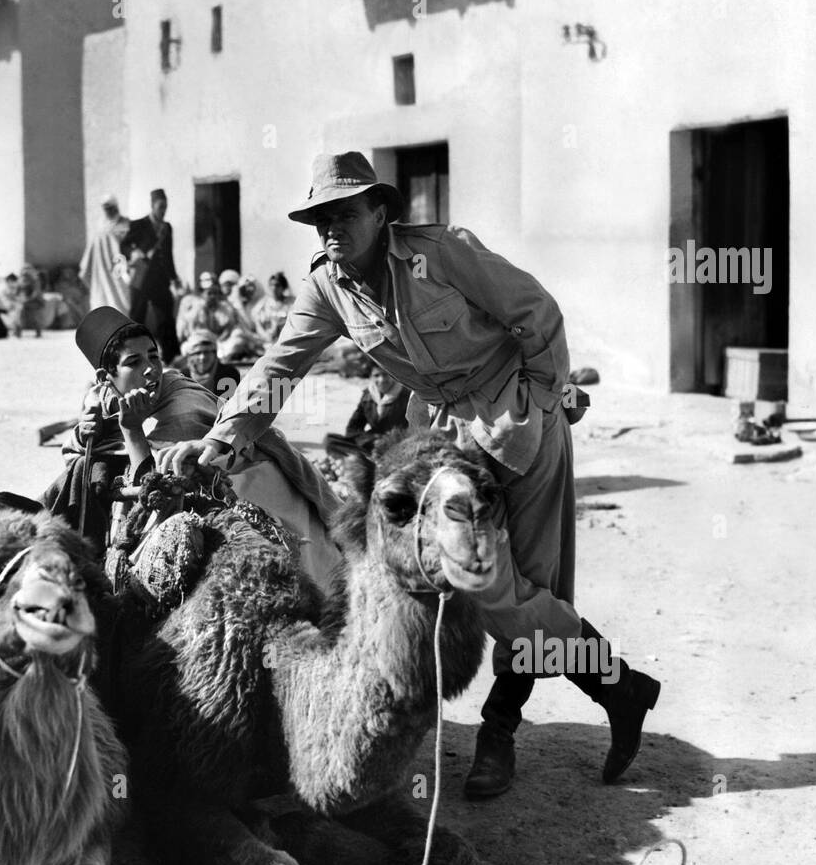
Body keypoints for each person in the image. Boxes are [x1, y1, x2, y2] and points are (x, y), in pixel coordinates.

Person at [157, 151, 662, 798]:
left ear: (380, 212)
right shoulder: (327, 287)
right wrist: (218, 441)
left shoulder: (442, 252)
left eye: (342, 213)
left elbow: (537, 312)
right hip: (446, 438)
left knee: (524, 587)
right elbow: (276, 370)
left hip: (519, 425)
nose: (329, 229)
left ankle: (502, 729)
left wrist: (543, 394)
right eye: (319, 220)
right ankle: (619, 690)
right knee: (478, 581)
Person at [45, 306, 339, 588]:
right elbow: (79, 454)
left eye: (154, 357)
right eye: (133, 363)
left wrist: (131, 430)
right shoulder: (101, 399)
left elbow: (160, 481)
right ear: (105, 379)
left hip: (245, 486)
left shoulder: (184, 401)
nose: (150, 370)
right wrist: (85, 434)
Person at [120, 188, 180, 362]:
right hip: (141, 279)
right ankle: (130, 354)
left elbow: (168, 256)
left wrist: (174, 278)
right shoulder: (139, 224)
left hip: (160, 280)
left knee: (166, 317)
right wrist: (135, 252)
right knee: (137, 317)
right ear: (153, 205)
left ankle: (171, 356)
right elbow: (123, 246)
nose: (163, 211)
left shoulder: (167, 228)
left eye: (165, 207)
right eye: (161, 206)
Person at [79, 194, 133, 314]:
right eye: (105, 208)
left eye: (110, 207)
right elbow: (89, 257)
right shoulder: (99, 229)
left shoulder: (126, 225)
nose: (108, 211)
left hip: (119, 275)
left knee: (121, 309)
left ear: (116, 207)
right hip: (100, 277)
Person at [342, 369, 411, 453]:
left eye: (386, 374)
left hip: (400, 446)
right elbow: (352, 429)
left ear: (393, 375)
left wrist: (389, 441)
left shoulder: (407, 396)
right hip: (373, 444)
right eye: (376, 375)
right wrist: (371, 440)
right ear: (371, 377)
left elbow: (415, 429)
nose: (381, 380)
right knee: (331, 440)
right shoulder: (367, 396)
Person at [177, 329, 241, 400]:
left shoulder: (229, 374)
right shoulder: (182, 377)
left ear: (214, 354)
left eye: (206, 352)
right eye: (197, 353)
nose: (202, 357)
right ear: (190, 356)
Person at [252, 271, 295, 344]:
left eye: (277, 285)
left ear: (283, 287)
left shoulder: (291, 303)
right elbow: (257, 324)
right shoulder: (262, 305)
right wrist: (266, 337)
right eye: (271, 285)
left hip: (286, 340)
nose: (274, 288)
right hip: (266, 341)